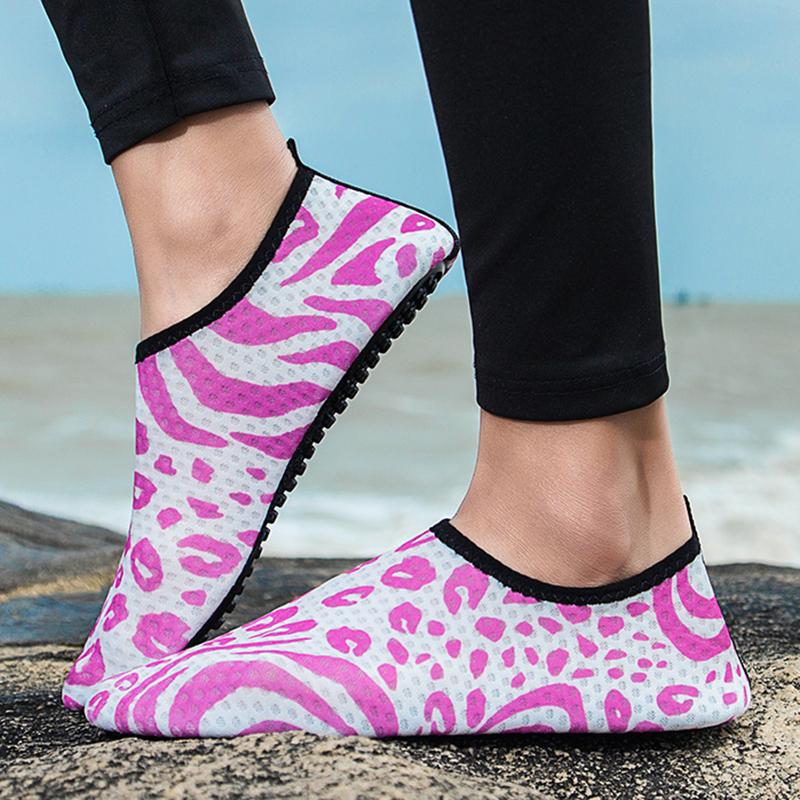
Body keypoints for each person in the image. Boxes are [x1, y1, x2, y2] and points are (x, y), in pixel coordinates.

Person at [42, 1, 749, 736]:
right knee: (195, 183)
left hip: (590, 584)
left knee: (582, 496)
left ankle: (583, 518)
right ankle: (212, 211)